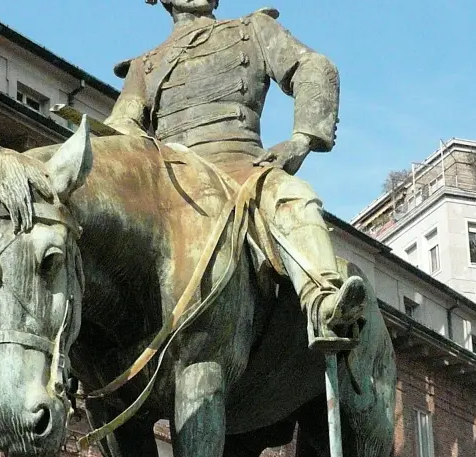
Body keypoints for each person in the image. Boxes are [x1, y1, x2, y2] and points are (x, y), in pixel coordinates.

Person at [105, 0, 367, 351]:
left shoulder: (252, 30)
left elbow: (313, 67)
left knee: (294, 197)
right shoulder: (145, 66)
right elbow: (121, 125)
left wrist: (301, 139)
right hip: (173, 185)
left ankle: (323, 300)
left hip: (242, 169)